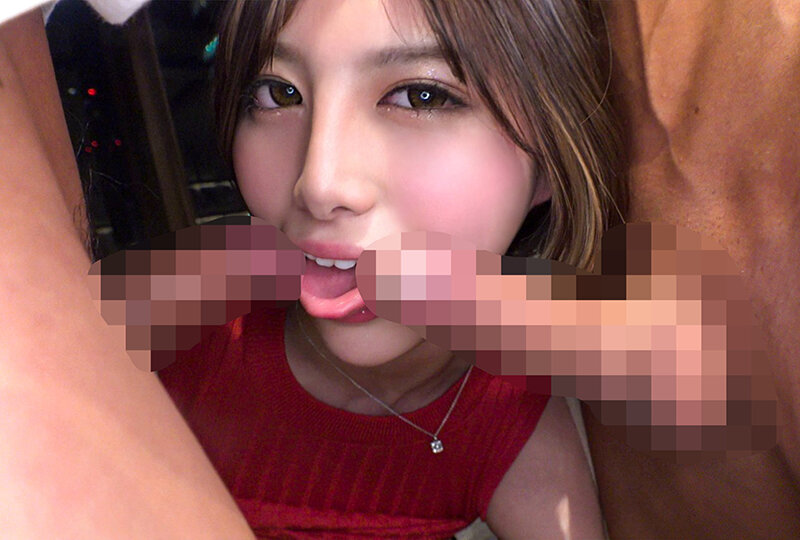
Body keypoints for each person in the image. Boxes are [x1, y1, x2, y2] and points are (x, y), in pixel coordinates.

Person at [155, 0, 624, 537]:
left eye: (421, 96)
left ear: (551, 161)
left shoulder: (508, 413)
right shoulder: (171, 335)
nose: (319, 185)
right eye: (278, 93)